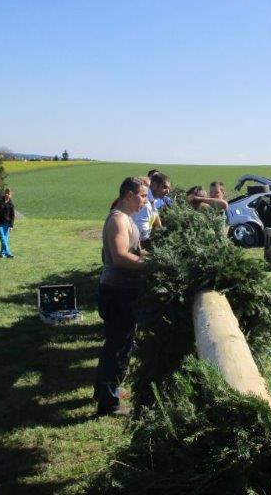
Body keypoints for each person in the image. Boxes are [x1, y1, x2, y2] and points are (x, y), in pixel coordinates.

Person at [94, 176, 147, 416]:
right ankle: (108, 403)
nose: (145, 201)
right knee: (118, 347)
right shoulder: (117, 220)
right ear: (129, 195)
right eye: (142, 196)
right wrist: (152, 264)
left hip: (121, 291)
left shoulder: (126, 219)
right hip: (118, 293)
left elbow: (130, 251)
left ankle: (106, 391)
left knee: (119, 344)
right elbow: (119, 256)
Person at [0, 188, 16, 258]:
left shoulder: (11, 204)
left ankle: (2, 253)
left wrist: (11, 226)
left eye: (9, 193)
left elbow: (12, 216)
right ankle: (8, 252)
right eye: (6, 193)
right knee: (2, 238)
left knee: (5, 239)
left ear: (11, 195)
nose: (7, 194)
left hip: (7, 224)